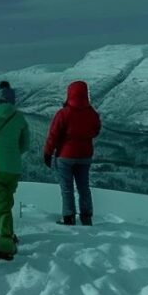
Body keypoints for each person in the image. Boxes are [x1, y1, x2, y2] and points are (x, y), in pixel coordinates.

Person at [43, 80, 102, 225]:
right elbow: (96, 131)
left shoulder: (63, 113)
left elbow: (53, 135)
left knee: (67, 188)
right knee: (84, 187)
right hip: (85, 155)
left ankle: (69, 217)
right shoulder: (92, 113)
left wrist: (48, 153)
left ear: (69, 94)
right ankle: (86, 216)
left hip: (65, 155)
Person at [0, 81, 29, 261]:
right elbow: (25, 145)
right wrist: (13, 155)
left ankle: (5, 242)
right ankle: (3, 231)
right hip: (14, 167)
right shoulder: (20, 119)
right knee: (6, 201)